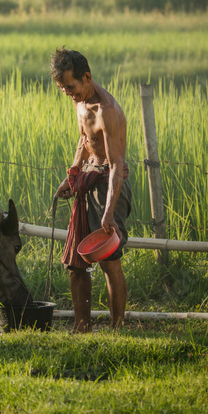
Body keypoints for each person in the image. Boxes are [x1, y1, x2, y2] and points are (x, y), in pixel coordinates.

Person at [50, 48, 130, 332]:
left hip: (110, 182)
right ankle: (82, 327)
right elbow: (84, 141)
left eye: (70, 87)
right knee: (75, 262)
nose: (68, 93)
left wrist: (108, 213)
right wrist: (71, 175)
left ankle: (117, 328)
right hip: (87, 177)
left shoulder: (105, 110)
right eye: (62, 89)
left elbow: (117, 165)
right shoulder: (79, 101)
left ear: (87, 77)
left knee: (109, 261)